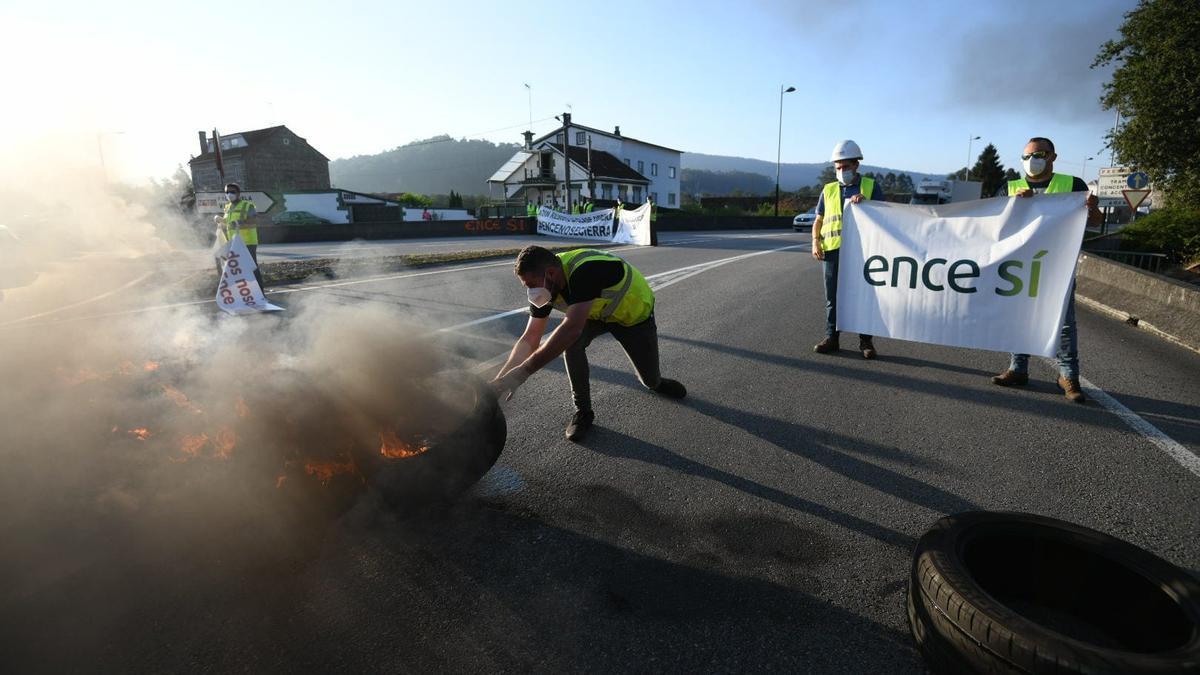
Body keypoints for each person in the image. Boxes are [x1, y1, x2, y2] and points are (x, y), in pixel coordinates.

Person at [490, 245, 687, 441]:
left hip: (632, 317)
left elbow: (572, 328)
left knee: (649, 381)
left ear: (550, 273)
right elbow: (531, 336)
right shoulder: (547, 284)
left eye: (532, 284)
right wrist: (500, 382)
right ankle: (583, 412)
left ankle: (657, 383)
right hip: (593, 314)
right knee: (571, 345)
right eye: (527, 287)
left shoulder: (585, 270)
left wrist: (523, 372)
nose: (531, 292)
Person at [990, 136, 1101, 403]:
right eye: (1027, 156)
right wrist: (1015, 205)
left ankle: (1069, 377)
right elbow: (994, 226)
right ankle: (1018, 368)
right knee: (1019, 315)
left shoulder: (1072, 185)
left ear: (1052, 156)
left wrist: (1094, 209)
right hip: (1019, 265)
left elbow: (1094, 222)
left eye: (1038, 154)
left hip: (1057, 265)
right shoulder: (1009, 187)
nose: (1032, 160)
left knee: (1064, 321)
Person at [811, 140, 886, 359]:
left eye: (846, 167)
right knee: (832, 297)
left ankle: (866, 341)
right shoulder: (828, 190)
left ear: (856, 165)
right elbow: (819, 219)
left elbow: (886, 217)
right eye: (838, 167)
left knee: (865, 295)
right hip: (833, 251)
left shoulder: (871, 187)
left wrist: (868, 205)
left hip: (865, 252)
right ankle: (832, 338)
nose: (842, 171)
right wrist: (815, 241)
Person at [214, 183, 264, 289]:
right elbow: (228, 222)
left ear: (238, 193)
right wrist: (220, 220)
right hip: (233, 242)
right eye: (227, 192)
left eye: (232, 191)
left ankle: (260, 294)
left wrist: (238, 223)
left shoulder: (247, 205)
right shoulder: (228, 207)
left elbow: (254, 222)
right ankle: (244, 292)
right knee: (231, 264)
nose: (229, 194)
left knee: (251, 267)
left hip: (247, 242)